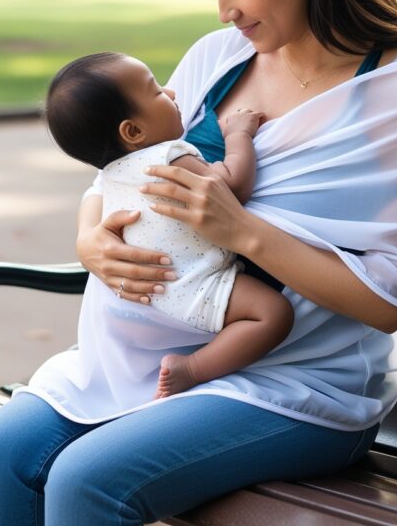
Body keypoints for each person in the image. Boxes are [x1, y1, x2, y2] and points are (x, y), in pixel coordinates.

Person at [0, 0, 397, 526]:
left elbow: (389, 305)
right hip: (162, 357)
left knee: (85, 479)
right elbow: (123, 167)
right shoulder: (216, 58)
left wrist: (241, 231)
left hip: (299, 383)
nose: (226, 11)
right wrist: (90, 240)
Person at [44, 51, 294, 398]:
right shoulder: (170, 156)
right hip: (188, 284)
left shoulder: (114, 173)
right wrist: (239, 135)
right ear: (133, 131)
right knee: (272, 315)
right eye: (157, 91)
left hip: (145, 298)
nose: (173, 94)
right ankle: (192, 369)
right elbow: (233, 187)